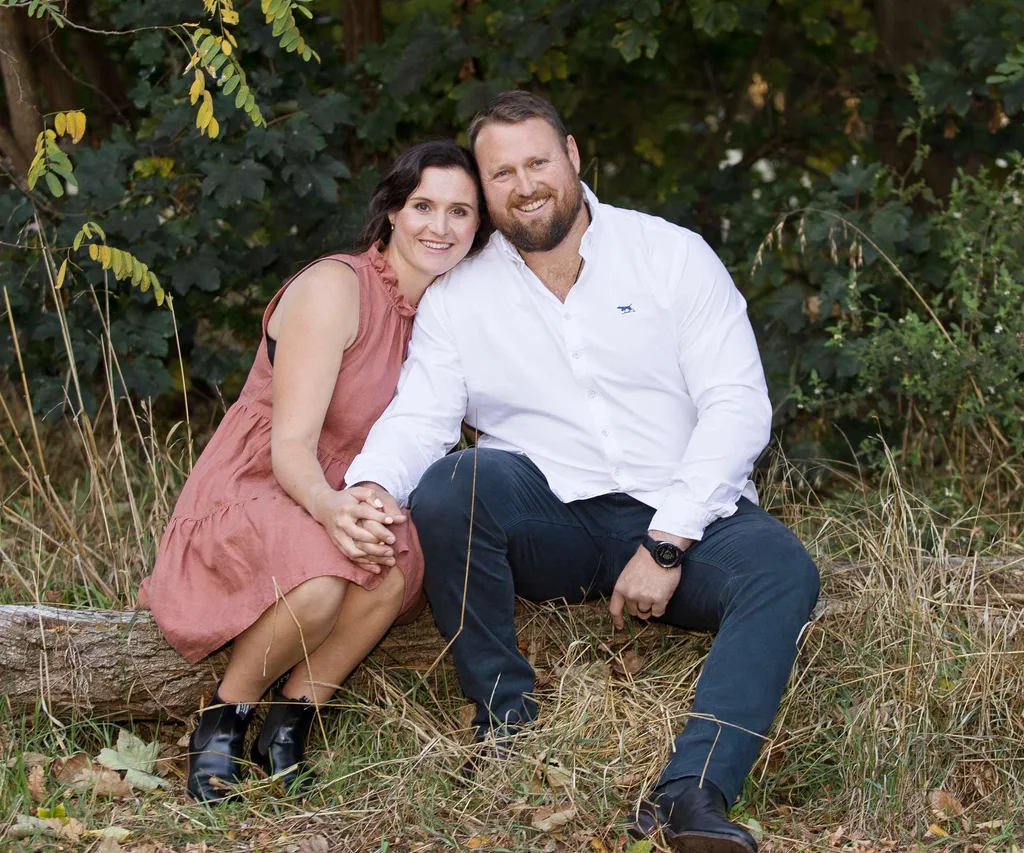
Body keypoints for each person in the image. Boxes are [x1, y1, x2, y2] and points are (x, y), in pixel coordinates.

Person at [343, 92, 819, 852]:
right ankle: (505, 722)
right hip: (552, 520)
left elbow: (737, 406)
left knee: (783, 570)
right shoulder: (461, 296)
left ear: (573, 157)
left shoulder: (669, 253)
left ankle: (690, 793)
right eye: (502, 173)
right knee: (452, 485)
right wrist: (370, 487)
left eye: (538, 162)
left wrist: (668, 542)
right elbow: (420, 417)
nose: (525, 184)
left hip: (686, 517)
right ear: (485, 190)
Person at [138, 140, 487, 804]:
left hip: (348, 492)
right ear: (390, 211)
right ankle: (224, 717)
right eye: (423, 206)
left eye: (460, 211)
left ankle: (289, 723)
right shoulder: (337, 287)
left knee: (396, 564)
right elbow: (290, 448)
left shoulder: (447, 318)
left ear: (478, 228)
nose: (439, 227)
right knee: (324, 576)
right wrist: (332, 510)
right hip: (265, 480)